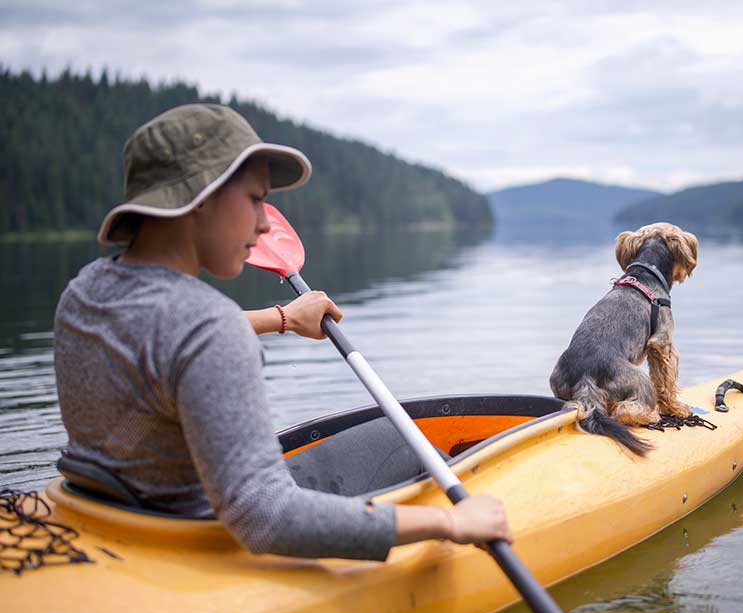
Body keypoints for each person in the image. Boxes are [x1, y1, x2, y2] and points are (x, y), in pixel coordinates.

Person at [52, 103, 511, 560]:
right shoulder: (209, 330)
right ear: (201, 197)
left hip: (109, 512)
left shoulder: (83, 294)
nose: (266, 222)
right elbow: (265, 516)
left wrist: (284, 318)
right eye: (255, 198)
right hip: (197, 537)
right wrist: (447, 522)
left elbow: (170, 342)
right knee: (403, 437)